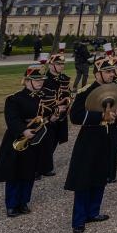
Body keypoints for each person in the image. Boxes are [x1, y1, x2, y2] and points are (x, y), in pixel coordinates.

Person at [64, 56, 117, 233]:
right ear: (97, 73)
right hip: (90, 139)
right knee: (84, 179)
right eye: (107, 72)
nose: (111, 75)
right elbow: (75, 116)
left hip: (108, 138)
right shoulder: (86, 91)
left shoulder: (114, 91)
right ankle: (79, 219)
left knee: (101, 176)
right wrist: (100, 116)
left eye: (112, 72)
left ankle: (93, 212)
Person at [0, 65, 48, 217]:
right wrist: (23, 130)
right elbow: (11, 119)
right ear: (27, 80)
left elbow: (44, 117)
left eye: (41, 79)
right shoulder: (14, 98)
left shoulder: (41, 97)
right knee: (14, 173)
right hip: (17, 139)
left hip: (34, 139)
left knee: (29, 172)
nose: (40, 82)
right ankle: (11, 205)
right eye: (36, 80)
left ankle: (23, 202)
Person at [39, 49, 71, 177]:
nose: (61, 66)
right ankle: (42, 167)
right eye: (58, 64)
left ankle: (45, 163)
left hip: (61, 115)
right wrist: (58, 105)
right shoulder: (44, 79)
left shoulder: (63, 78)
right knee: (46, 141)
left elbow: (67, 93)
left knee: (56, 139)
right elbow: (41, 98)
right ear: (51, 65)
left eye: (62, 64)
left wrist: (68, 103)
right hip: (48, 115)